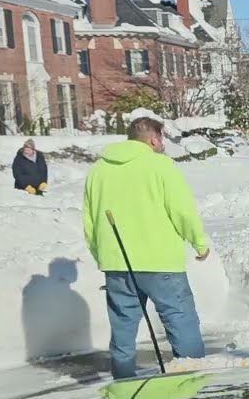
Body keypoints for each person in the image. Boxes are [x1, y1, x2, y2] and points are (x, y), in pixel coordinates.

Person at [82, 117, 210, 378]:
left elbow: (90, 221)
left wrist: (102, 257)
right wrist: (199, 243)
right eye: (161, 139)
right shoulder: (160, 166)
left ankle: (124, 386)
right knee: (180, 322)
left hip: (117, 263)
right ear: (154, 139)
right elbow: (181, 210)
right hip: (161, 262)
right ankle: (194, 384)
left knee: (123, 329)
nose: (162, 144)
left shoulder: (98, 170)